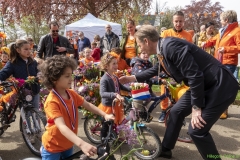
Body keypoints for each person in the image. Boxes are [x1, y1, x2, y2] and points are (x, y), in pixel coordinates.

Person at [119, 25, 238, 160]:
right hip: (203, 85)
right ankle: (165, 150)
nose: (140, 49)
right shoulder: (163, 48)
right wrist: (132, 78)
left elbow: (195, 75)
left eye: (140, 45)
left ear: (146, 41)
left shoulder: (171, 47)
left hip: (221, 86)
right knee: (176, 112)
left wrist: (196, 107)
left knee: (197, 130)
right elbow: (158, 68)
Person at [38, 55, 114, 159]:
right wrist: (82, 144)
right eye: (67, 76)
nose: (71, 78)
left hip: (68, 143)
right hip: (53, 146)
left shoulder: (71, 93)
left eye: (71, 75)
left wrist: (105, 114)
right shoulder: (52, 101)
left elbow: (87, 105)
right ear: (53, 78)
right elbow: (62, 127)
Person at [202, 10, 240, 119]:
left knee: (224, 87)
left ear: (226, 20)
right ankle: (216, 107)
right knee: (217, 85)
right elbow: (215, 39)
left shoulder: (237, 31)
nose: (220, 21)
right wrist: (207, 42)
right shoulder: (223, 30)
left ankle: (224, 110)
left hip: (229, 63)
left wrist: (226, 49)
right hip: (218, 61)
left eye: (221, 19)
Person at [0, 40, 40, 137]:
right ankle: (29, 133)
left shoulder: (32, 61)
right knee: (26, 113)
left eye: (29, 49)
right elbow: (4, 73)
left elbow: (38, 71)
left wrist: (40, 75)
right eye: (25, 49)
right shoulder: (13, 63)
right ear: (18, 50)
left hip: (35, 90)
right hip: (22, 92)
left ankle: (38, 130)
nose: (28, 51)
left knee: (36, 112)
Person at [158, 10, 193, 123]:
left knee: (178, 91)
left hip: (180, 68)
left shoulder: (188, 35)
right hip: (167, 66)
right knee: (165, 90)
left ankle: (177, 113)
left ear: (184, 22)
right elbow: (160, 50)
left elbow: (191, 51)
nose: (178, 24)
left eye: (181, 21)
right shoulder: (165, 33)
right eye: (176, 21)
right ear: (173, 21)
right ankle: (163, 112)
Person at [98, 52, 130, 159]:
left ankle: (115, 137)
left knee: (115, 123)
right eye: (113, 64)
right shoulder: (104, 79)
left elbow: (120, 86)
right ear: (106, 66)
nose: (116, 66)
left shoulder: (115, 77)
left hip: (115, 104)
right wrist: (114, 94)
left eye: (116, 63)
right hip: (107, 106)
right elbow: (102, 93)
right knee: (106, 127)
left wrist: (132, 89)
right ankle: (104, 146)